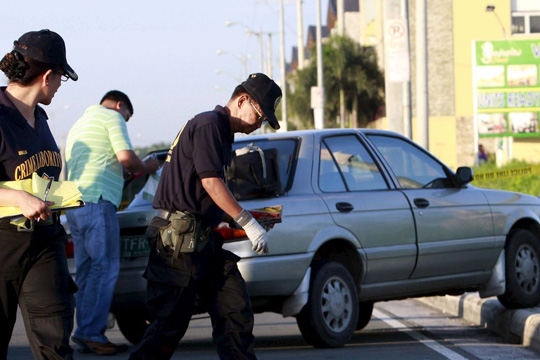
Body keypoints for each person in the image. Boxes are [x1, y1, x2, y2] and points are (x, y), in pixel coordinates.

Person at [129, 73, 282, 360]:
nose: (259, 124)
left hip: (202, 241)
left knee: (235, 311)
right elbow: (211, 182)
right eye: (260, 116)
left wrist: (235, 218)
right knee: (168, 328)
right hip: (177, 244)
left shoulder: (221, 133)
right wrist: (247, 221)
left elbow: (204, 192)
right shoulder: (209, 124)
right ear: (242, 100)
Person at [0, 29, 78, 359]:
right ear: (48, 76)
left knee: (56, 341)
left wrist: (64, 194)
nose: (60, 86)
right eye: (61, 78)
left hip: (44, 242)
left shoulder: (42, 119)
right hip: (3, 244)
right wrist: (17, 199)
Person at [65, 91, 159, 355]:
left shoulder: (79, 123)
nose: (125, 121)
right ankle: (90, 333)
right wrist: (148, 166)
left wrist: (122, 169)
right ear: (120, 106)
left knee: (86, 271)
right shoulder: (111, 117)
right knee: (104, 269)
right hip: (98, 200)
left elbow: (100, 161)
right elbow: (127, 157)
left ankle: (85, 332)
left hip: (77, 204)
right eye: (127, 116)